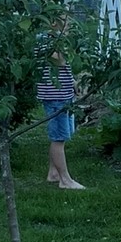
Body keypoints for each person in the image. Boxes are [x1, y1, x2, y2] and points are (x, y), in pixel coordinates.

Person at [38, 53, 85, 190]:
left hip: (64, 94)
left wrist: (72, 82)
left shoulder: (57, 43)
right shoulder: (46, 42)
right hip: (55, 96)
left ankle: (54, 173)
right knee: (58, 138)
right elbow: (60, 60)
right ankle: (65, 180)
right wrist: (68, 48)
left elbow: (64, 67)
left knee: (62, 136)